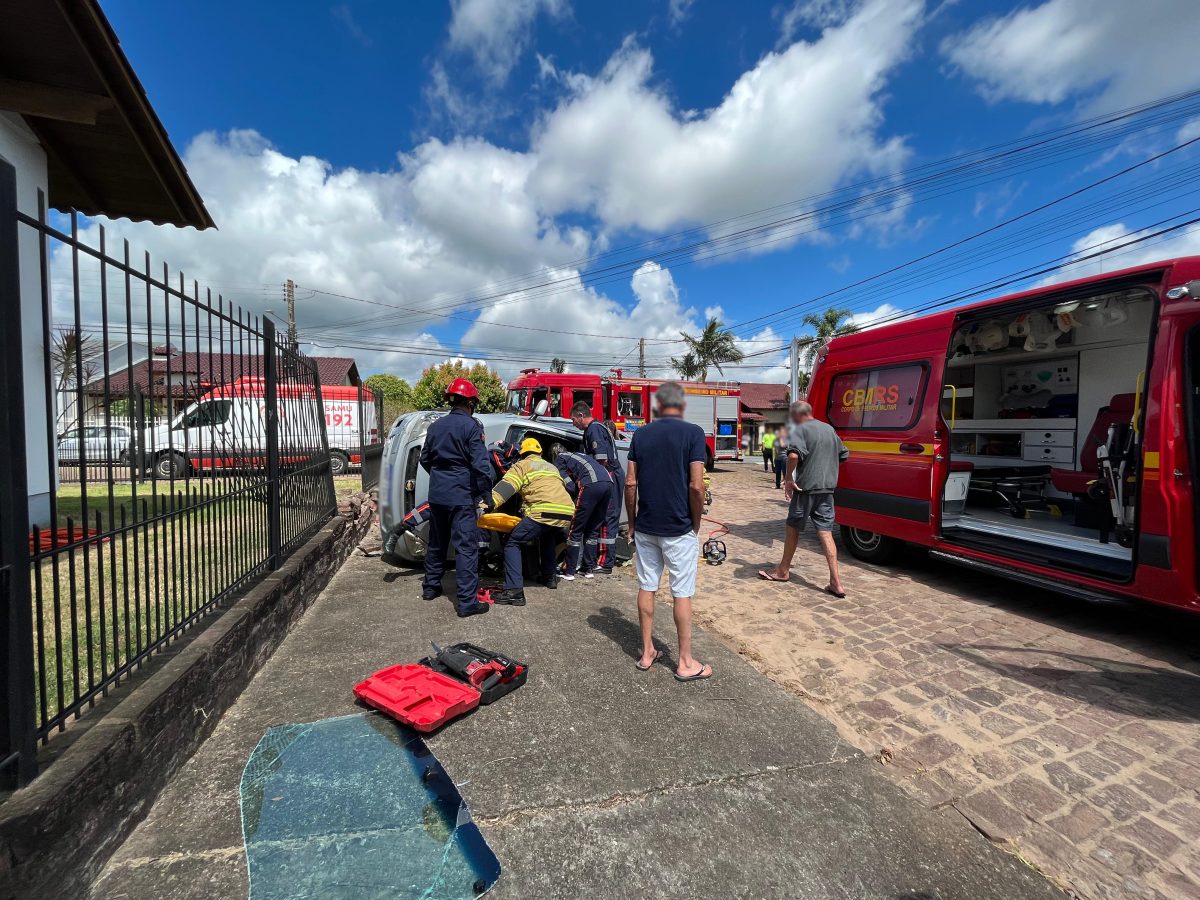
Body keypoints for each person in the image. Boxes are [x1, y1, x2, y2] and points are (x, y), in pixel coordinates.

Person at [624, 382, 711, 682]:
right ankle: (685, 662)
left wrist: (633, 524)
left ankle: (647, 651)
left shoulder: (641, 434)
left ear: (658, 407)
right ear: (682, 406)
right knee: (682, 593)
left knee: (647, 586)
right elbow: (697, 486)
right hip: (678, 528)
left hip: (646, 527)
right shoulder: (693, 433)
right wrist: (695, 523)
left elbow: (631, 483)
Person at [758, 400, 850, 598]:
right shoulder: (829, 429)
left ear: (796, 414)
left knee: (793, 527)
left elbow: (793, 456)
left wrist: (789, 478)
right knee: (825, 533)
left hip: (805, 489)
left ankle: (782, 571)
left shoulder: (800, 430)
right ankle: (836, 582)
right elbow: (843, 455)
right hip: (827, 490)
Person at [419, 378, 493, 618]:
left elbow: (425, 459)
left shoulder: (435, 426)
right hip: (461, 496)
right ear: (470, 402)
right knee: (466, 549)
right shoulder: (472, 427)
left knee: (438, 542)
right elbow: (481, 466)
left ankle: (430, 588)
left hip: (438, 495)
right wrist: (486, 494)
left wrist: (441, 478)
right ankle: (466, 603)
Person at [490, 437, 576, 606]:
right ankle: (550, 578)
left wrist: (486, 504)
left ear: (522, 454)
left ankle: (514, 591)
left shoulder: (521, 465)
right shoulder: (551, 466)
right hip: (566, 511)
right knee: (547, 537)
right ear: (540, 453)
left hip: (543, 510)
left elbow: (506, 488)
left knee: (512, 542)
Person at [571, 402, 624, 573]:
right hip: (607, 476)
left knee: (607, 518)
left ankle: (606, 563)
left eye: (573, 420)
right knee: (603, 517)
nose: (573, 423)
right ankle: (601, 560)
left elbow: (601, 460)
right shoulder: (593, 429)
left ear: (581, 416)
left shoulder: (594, 429)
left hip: (609, 475)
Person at [555, 449, 615, 580]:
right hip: (609, 484)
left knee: (575, 529)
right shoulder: (580, 456)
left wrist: (573, 496)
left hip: (591, 485)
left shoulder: (560, 458)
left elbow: (568, 483)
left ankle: (569, 571)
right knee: (593, 530)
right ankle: (588, 569)